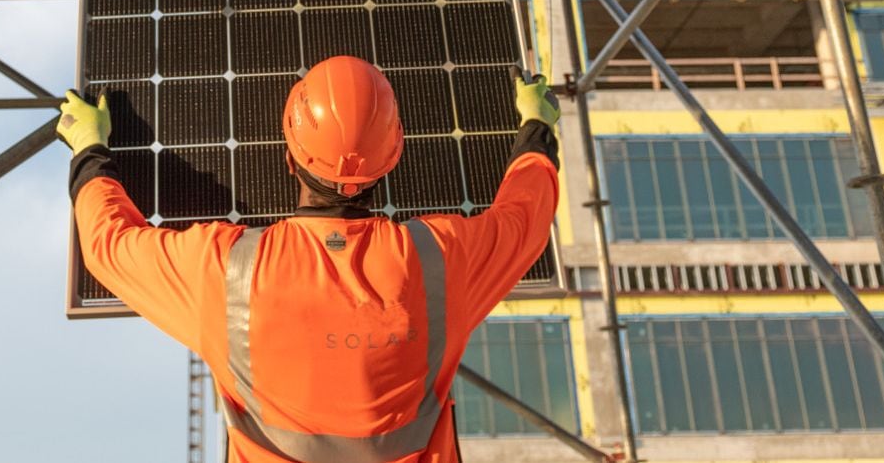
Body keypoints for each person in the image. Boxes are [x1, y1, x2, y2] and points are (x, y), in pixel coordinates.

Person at [58, 55, 562, 462]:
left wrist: (89, 148)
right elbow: (525, 221)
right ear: (393, 157)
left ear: (290, 156)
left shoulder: (229, 272)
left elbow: (109, 245)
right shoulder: (437, 259)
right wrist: (535, 124)